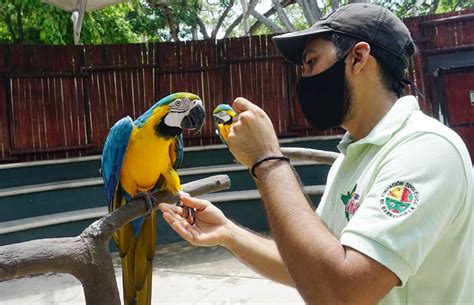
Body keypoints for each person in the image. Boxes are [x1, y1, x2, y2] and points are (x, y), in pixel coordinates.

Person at [159, 3, 473, 305]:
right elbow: (314, 268)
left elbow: (343, 294)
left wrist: (267, 161)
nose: (304, 78)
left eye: (311, 62)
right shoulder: (353, 157)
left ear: (358, 58)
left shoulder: (424, 150)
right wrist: (228, 233)